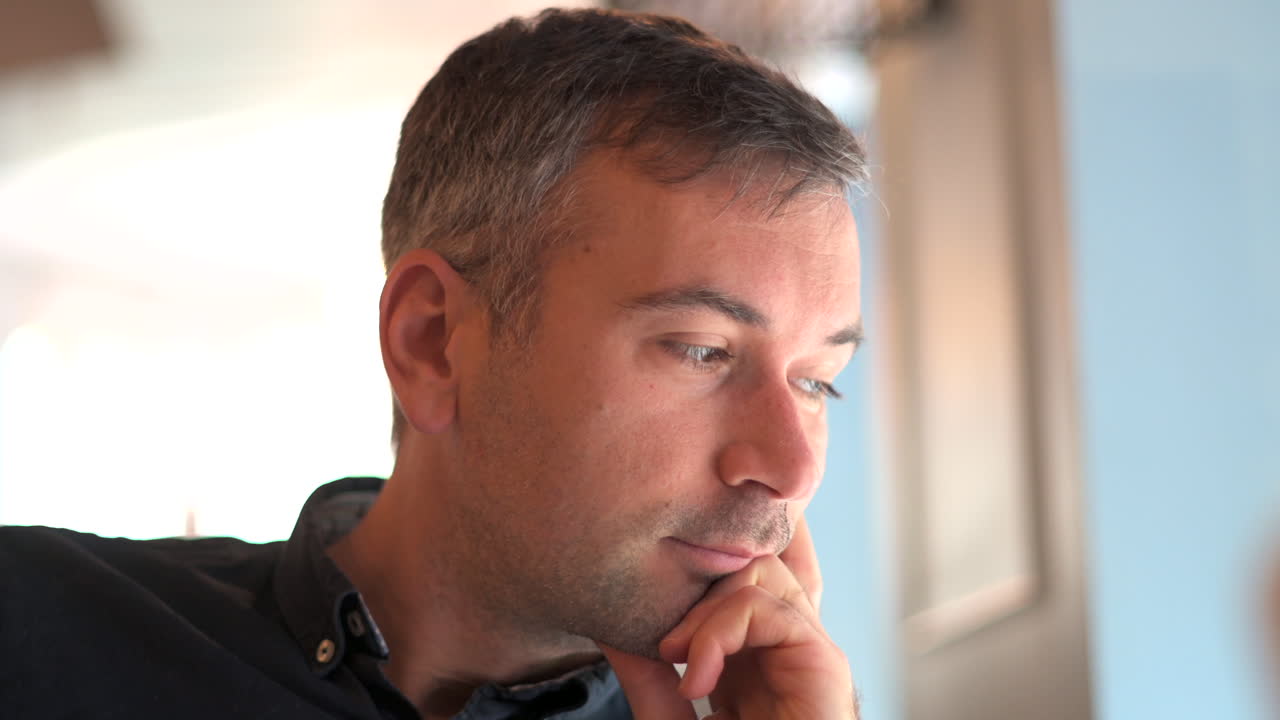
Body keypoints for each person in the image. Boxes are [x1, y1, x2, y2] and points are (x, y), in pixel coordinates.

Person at [0, 8, 866, 719]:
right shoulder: (34, 634)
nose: (791, 469)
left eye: (816, 380)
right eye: (703, 350)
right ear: (433, 341)